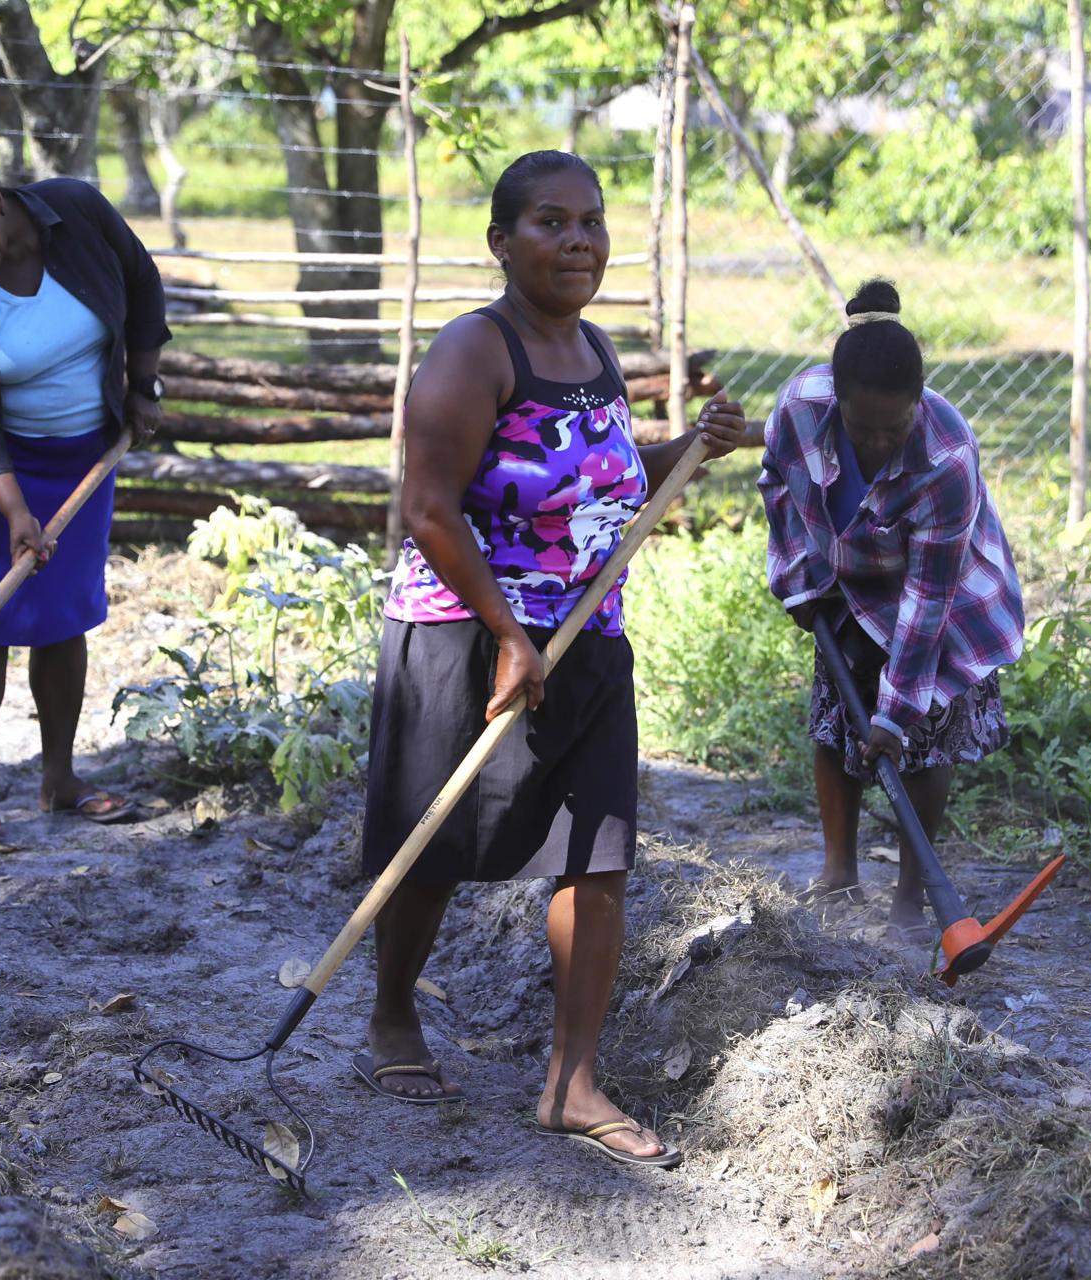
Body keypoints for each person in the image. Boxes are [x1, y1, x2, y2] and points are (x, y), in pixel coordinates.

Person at [356, 150, 751, 1168]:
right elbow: (428, 510)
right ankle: (394, 1014)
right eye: (550, 222)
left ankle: (572, 1083)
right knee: (434, 844)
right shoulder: (471, 355)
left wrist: (692, 446)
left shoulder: (599, 354)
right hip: (463, 634)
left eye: (591, 221)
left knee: (599, 857)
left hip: (587, 640)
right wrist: (506, 633)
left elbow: (616, 487)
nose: (578, 240)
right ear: (500, 242)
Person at [0, 135, 171, 845]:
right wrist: (16, 510)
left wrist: (143, 385)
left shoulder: (77, 213)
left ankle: (60, 779)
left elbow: (142, 283)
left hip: (81, 457)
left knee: (62, 617)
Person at [758, 279, 1025, 935]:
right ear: (836, 401)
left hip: (947, 594)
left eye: (894, 429)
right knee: (836, 714)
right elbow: (779, 485)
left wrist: (898, 713)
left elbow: (929, 598)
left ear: (919, 404)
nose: (879, 447)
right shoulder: (799, 408)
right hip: (848, 575)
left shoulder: (946, 455)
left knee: (925, 737)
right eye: (862, 431)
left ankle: (911, 898)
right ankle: (838, 877)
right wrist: (799, 578)